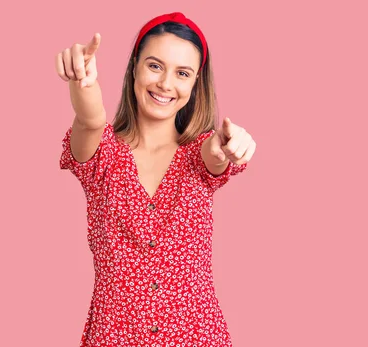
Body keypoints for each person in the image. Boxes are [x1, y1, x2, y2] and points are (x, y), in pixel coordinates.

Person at [55, 12, 256, 346]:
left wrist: (230, 145)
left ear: (195, 84)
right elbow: (90, 120)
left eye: (182, 73)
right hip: (114, 338)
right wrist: (82, 82)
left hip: (198, 337)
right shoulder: (102, 153)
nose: (165, 83)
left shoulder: (199, 153)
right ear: (134, 66)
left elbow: (214, 155)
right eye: (154, 65)